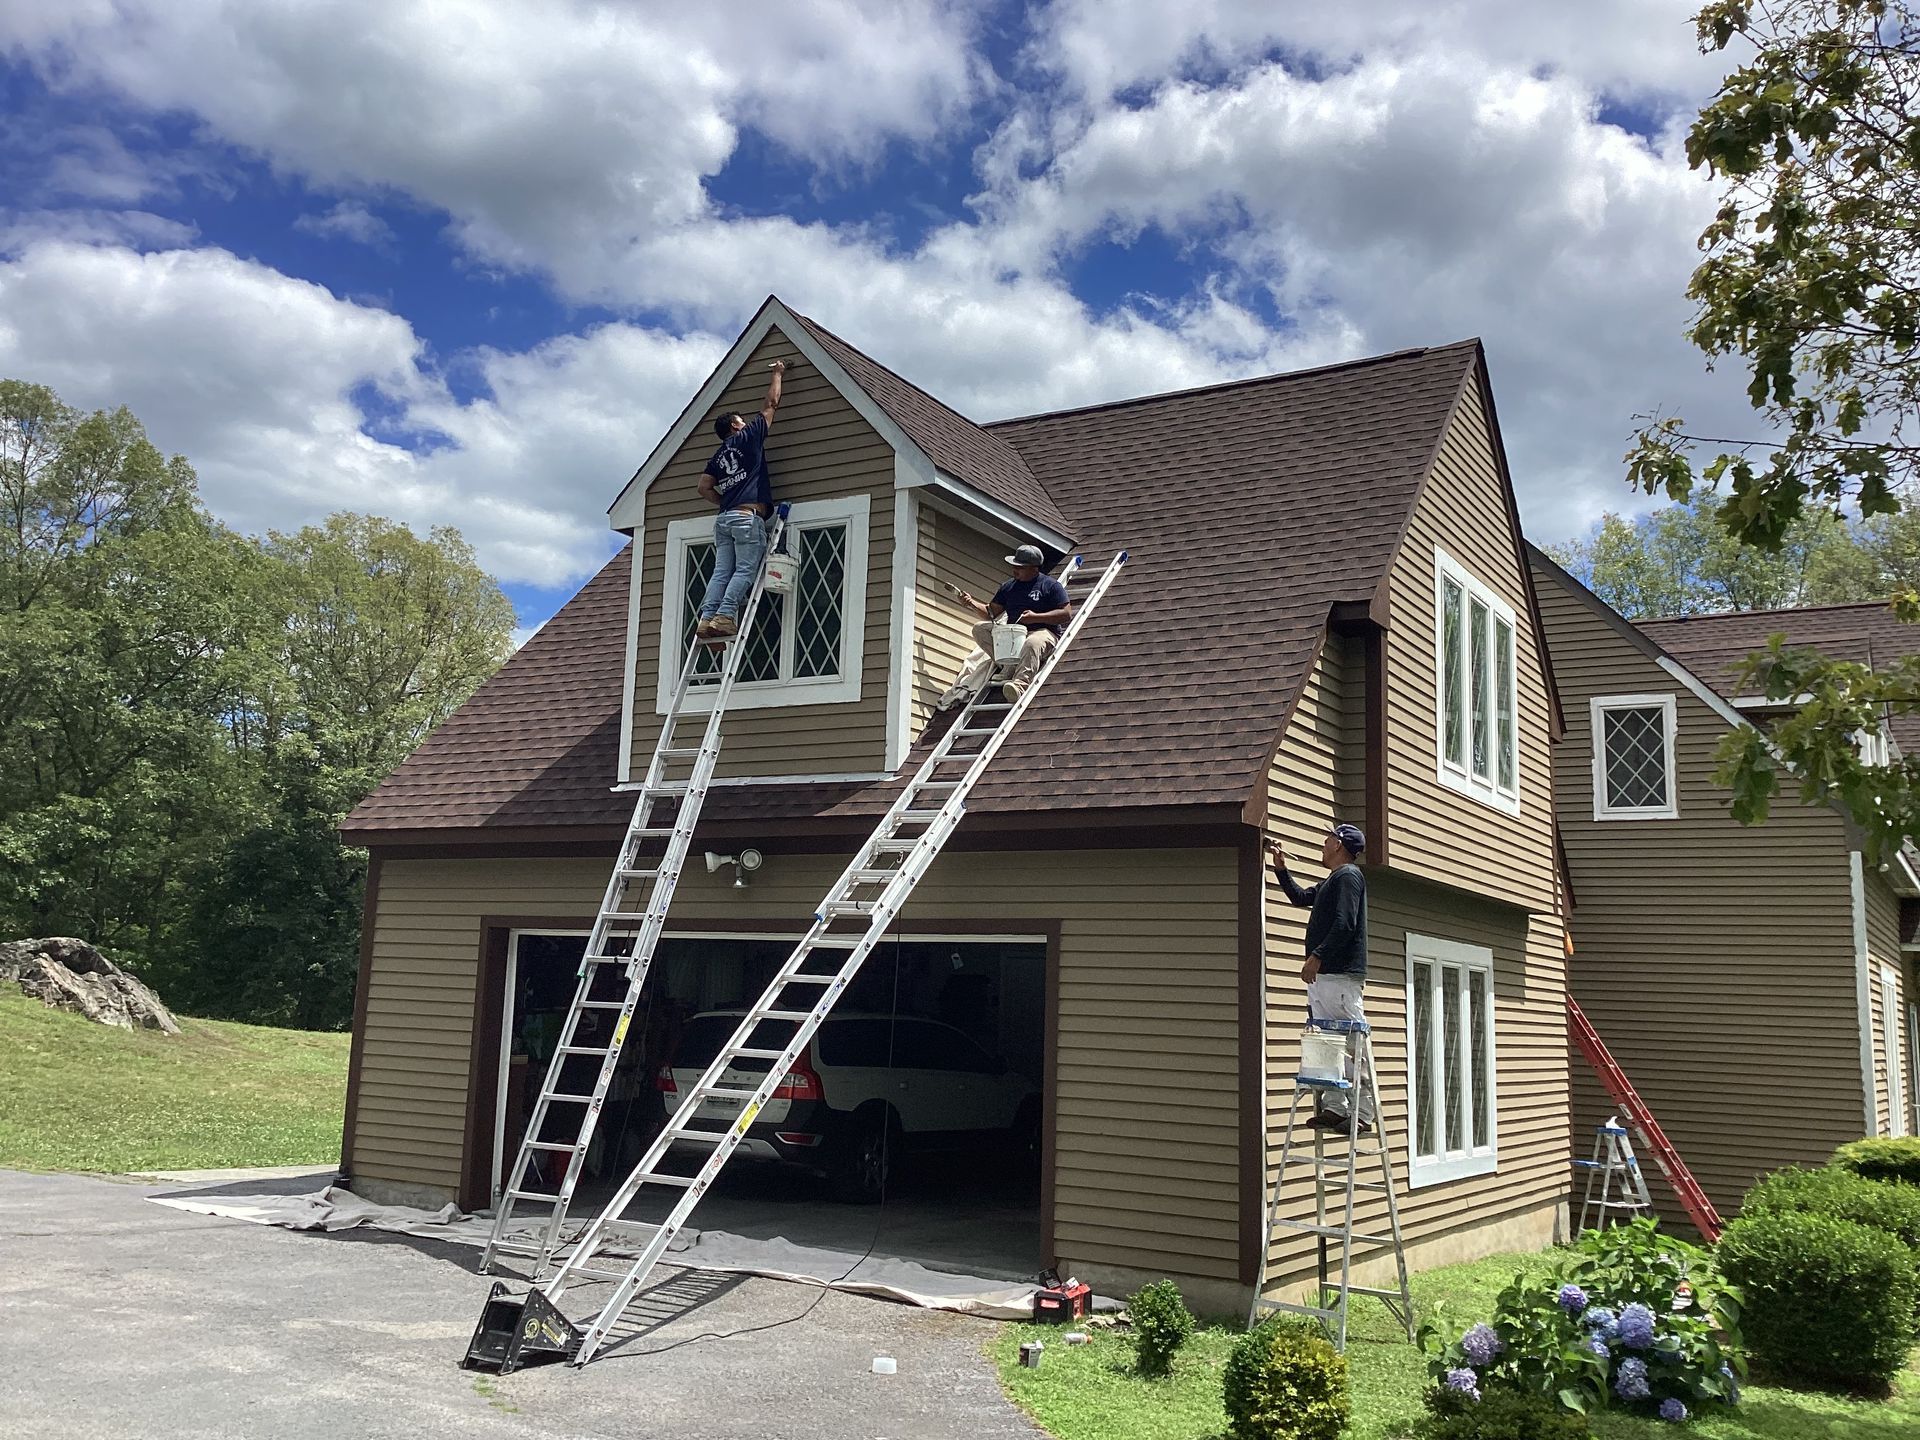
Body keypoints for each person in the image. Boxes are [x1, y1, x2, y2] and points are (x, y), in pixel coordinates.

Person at [1267, 824, 1372, 1132]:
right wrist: (1281, 868)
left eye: (1328, 838)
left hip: (1340, 976)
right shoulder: (1332, 881)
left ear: (1338, 844)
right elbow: (1300, 898)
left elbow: (1345, 924)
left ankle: (1362, 1115)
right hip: (1326, 980)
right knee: (1327, 1045)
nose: (1323, 842)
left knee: (1352, 1046)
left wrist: (1317, 956)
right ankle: (1336, 1107)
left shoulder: (1349, 877)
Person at [695, 359, 787, 640]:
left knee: (721, 572)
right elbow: (770, 404)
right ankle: (724, 616)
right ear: (735, 427)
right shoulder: (747, 438)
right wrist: (777, 373)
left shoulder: (718, 456)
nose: (746, 422)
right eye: (741, 421)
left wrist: (726, 502)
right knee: (745, 569)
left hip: (724, 520)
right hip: (746, 519)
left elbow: (703, 487)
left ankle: (706, 619)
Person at [939, 544, 1073, 706]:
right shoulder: (1009, 587)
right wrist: (971, 603)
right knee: (980, 629)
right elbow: (991, 613)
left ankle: (1019, 685)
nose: (1015, 570)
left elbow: (1066, 613)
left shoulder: (1050, 586)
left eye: (1020, 567)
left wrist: (1036, 617)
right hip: (1015, 634)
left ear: (1034, 568)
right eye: (1014, 566)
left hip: (1043, 631)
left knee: (1032, 642)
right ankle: (1007, 665)